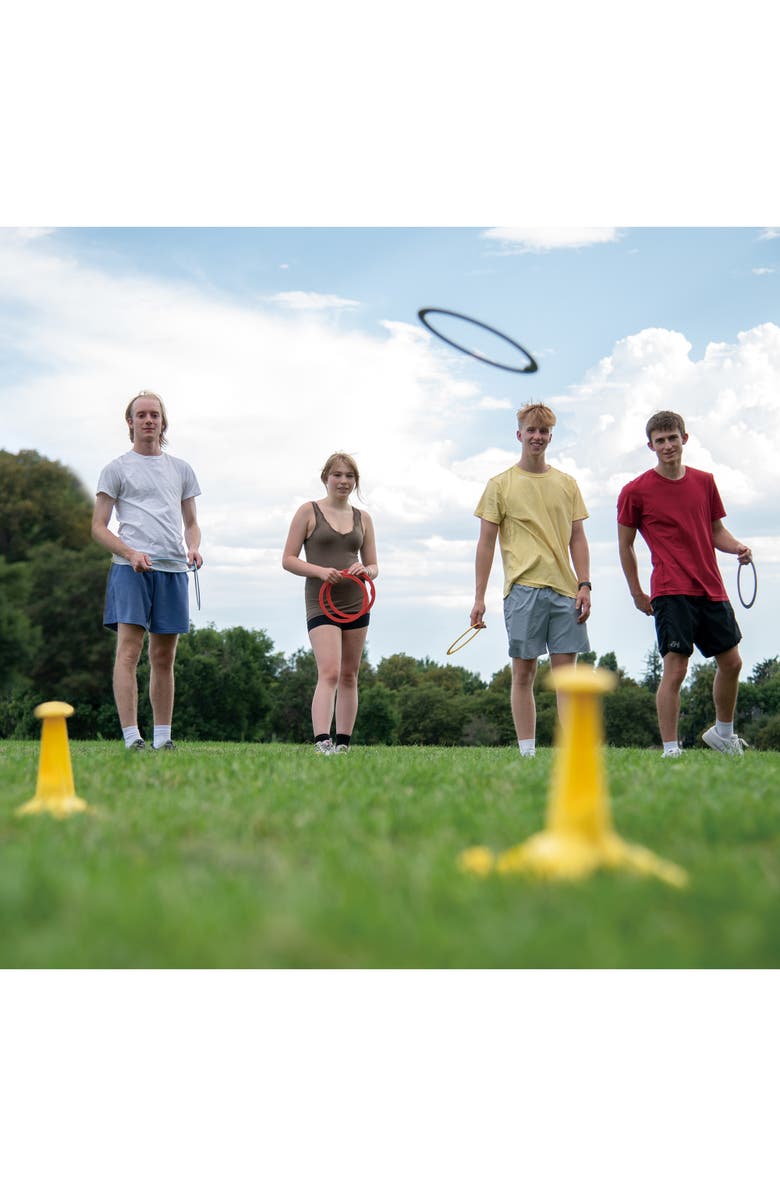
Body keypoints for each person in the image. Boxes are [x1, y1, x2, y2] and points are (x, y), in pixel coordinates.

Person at [617, 410, 752, 757]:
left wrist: (737, 547)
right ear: (650, 445)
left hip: (711, 586)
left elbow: (715, 531)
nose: (667, 445)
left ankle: (723, 734)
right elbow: (625, 545)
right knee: (676, 668)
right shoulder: (635, 491)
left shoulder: (705, 482)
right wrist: (636, 592)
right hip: (670, 589)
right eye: (660, 441)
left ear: (684, 439)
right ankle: (671, 748)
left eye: (672, 438)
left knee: (732, 662)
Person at [470, 402, 592, 757]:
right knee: (523, 675)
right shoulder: (499, 485)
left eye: (543, 431)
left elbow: (578, 538)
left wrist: (584, 584)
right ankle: (528, 752)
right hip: (522, 590)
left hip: (565, 590)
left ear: (551, 436)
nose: (537, 437)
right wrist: (479, 598)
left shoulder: (567, 484)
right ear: (518, 434)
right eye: (531, 430)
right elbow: (485, 544)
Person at [91, 390, 202, 751]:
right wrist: (130, 552)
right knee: (128, 652)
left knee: (164, 657)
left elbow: (191, 523)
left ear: (163, 422)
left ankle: (163, 738)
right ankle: (131, 738)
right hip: (130, 569)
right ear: (130, 422)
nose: (149, 420)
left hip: (173, 570)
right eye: (141, 415)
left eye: (155, 415)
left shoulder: (181, 469)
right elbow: (98, 527)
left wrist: (194, 547)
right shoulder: (116, 469)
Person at [282, 452, 378, 755]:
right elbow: (288, 559)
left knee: (350, 674)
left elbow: (374, 565)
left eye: (349, 476)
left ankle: (343, 744)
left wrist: (366, 571)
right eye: (337, 475)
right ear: (326, 478)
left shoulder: (363, 518)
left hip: (356, 601)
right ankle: (321, 741)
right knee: (330, 672)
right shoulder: (308, 512)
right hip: (321, 602)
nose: (343, 481)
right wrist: (321, 572)